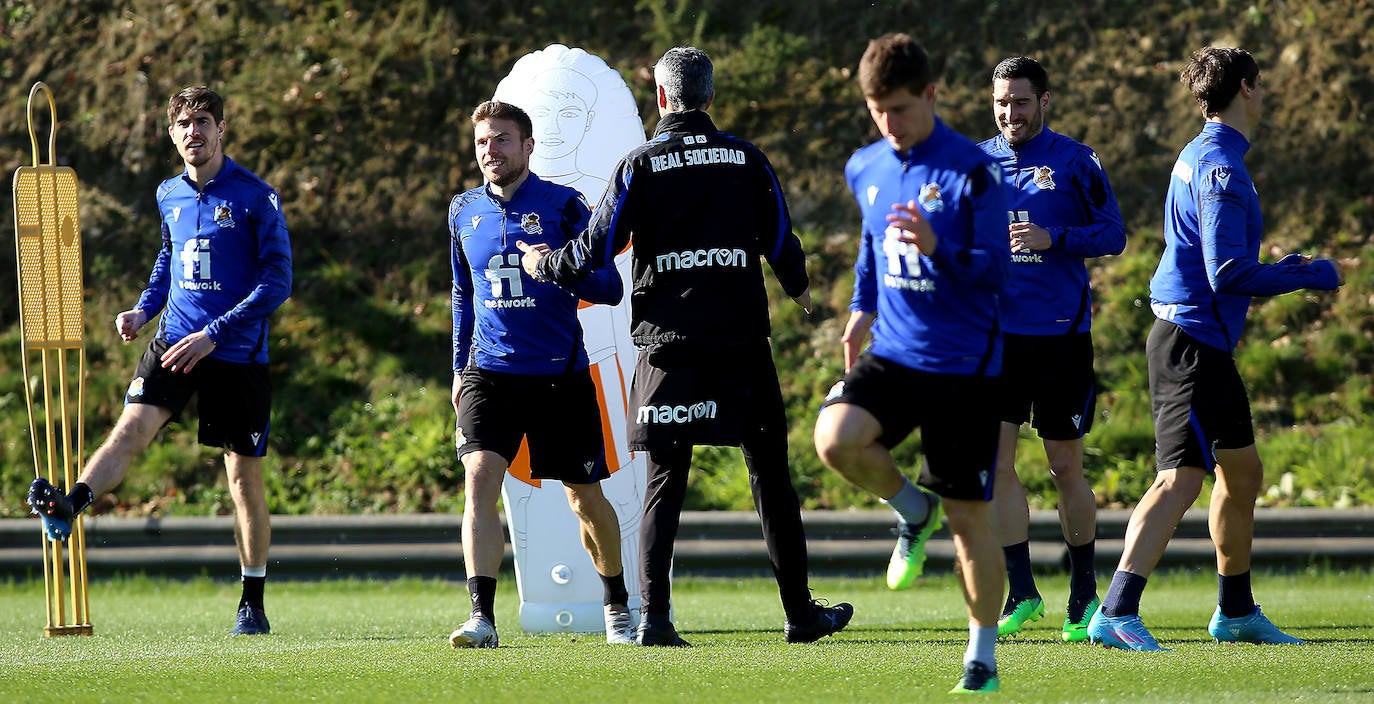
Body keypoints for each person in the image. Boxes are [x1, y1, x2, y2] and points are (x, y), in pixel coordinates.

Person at [517, 46, 852, 647]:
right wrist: (800, 288)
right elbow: (779, 234)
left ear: (661, 97)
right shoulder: (745, 158)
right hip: (742, 343)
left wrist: (546, 263)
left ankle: (655, 620)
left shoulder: (639, 165)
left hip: (669, 348)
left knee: (665, 479)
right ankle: (800, 615)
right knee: (770, 476)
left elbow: (596, 248)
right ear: (711, 98)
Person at [1087, 47, 1343, 651]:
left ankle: (1235, 610)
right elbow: (1226, 270)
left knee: (1244, 473)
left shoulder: (1212, 153)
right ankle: (1116, 611)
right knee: (1180, 478)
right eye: (1263, 84)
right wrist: (1305, 276)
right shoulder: (1221, 166)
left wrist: (1277, 269)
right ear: (1248, 88)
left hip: (1201, 340)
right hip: (1189, 341)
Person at [27, 86, 293, 636]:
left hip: (236, 352)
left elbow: (277, 282)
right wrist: (142, 310)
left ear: (223, 129)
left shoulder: (256, 196)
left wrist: (215, 335)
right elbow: (168, 259)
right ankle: (70, 506)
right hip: (172, 341)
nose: (193, 132)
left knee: (242, 480)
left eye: (203, 122)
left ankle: (252, 599)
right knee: (130, 430)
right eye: (183, 125)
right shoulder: (168, 193)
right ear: (172, 135)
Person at [811, 34, 1010, 693]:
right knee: (834, 438)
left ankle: (981, 655)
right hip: (894, 353)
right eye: (875, 110)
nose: (887, 124)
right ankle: (908, 508)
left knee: (968, 520)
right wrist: (861, 309)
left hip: (964, 369)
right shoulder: (865, 165)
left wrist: (938, 248)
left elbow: (997, 274)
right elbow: (872, 245)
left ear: (930, 95)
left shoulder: (972, 171)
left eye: (898, 108)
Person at [446, 100, 634, 649]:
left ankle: (617, 604)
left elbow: (609, 288)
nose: (491, 151)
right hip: (489, 374)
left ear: (528, 146)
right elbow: (462, 294)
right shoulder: (462, 210)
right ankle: (482, 616)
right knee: (479, 477)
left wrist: (558, 263)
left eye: (502, 139)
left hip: (559, 376)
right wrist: (459, 366)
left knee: (584, 496)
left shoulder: (564, 205)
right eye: (483, 141)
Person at [975, 56, 1126, 642]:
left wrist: (1054, 238)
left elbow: (1114, 234)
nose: (1010, 112)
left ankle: (1084, 592)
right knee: (998, 465)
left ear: (1045, 100)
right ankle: (1022, 590)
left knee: (1064, 466)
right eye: (1001, 103)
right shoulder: (977, 164)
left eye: (1021, 101)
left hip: (1061, 336)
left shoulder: (1076, 161)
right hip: (996, 340)